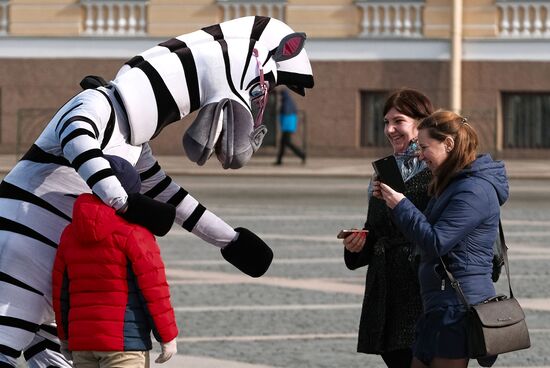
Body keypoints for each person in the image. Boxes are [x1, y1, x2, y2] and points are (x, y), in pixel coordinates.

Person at [374, 110, 509, 368]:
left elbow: (436, 241)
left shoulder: (474, 190)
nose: (420, 155)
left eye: (424, 147)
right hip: (439, 305)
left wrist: (401, 204)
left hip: (457, 307)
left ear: (448, 144)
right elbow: (425, 229)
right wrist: (396, 202)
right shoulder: (453, 183)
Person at [52, 155, 178, 368]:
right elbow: (154, 289)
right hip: (125, 342)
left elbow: (61, 291)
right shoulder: (135, 233)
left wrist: (65, 336)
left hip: (83, 342)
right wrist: (167, 336)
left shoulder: (70, 233)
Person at [342, 88, 434, 368]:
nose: (390, 129)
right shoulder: (382, 171)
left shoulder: (437, 170)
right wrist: (358, 245)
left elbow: (442, 232)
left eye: (399, 121)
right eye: (386, 122)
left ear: (421, 125)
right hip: (385, 291)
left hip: (420, 289)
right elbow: (377, 228)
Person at [274, 89, 306, 165]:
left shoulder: (286, 102)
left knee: (287, 142)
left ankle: (302, 155)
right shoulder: (288, 101)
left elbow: (285, 112)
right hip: (288, 126)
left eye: (281, 95)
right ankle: (279, 160)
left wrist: (279, 111)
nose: (280, 97)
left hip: (287, 126)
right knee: (283, 143)